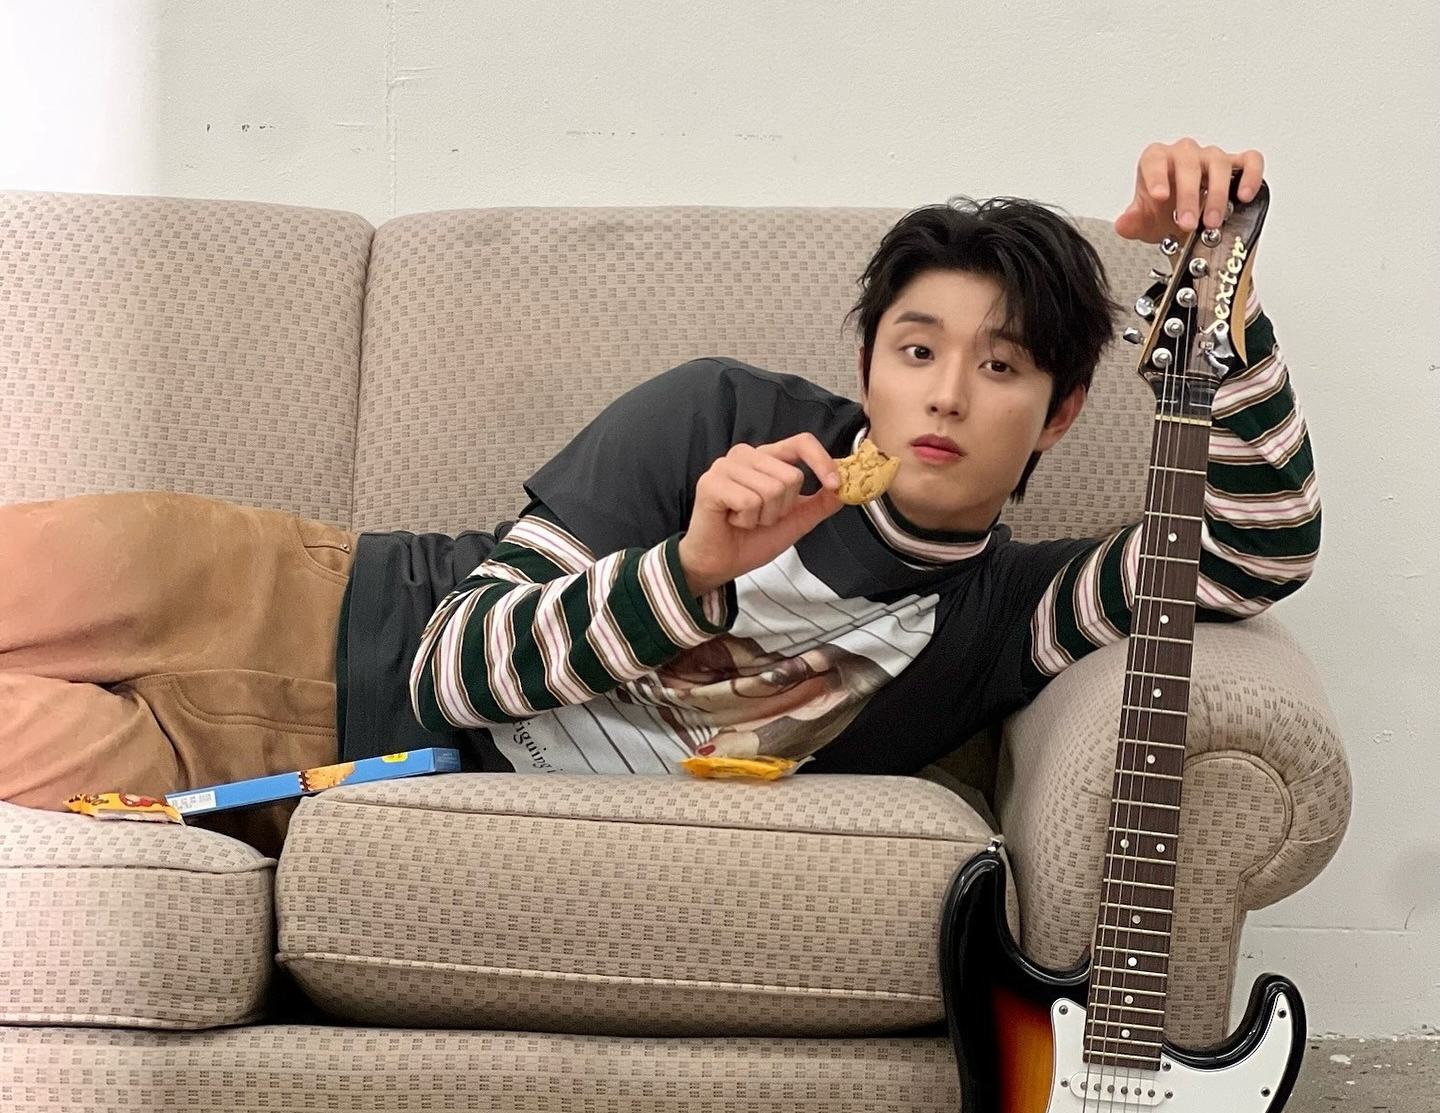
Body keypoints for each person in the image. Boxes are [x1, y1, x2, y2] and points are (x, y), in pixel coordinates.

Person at [0, 139, 1318, 858]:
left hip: (266, 782)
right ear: (869, 362)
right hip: (271, 592)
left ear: (1062, 410)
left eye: (1004, 366)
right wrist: (686, 571)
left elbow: (1258, 549)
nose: (948, 395)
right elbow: (456, 664)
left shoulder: (1004, 617)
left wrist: (1222, 293)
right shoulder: (720, 419)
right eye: (916, 350)